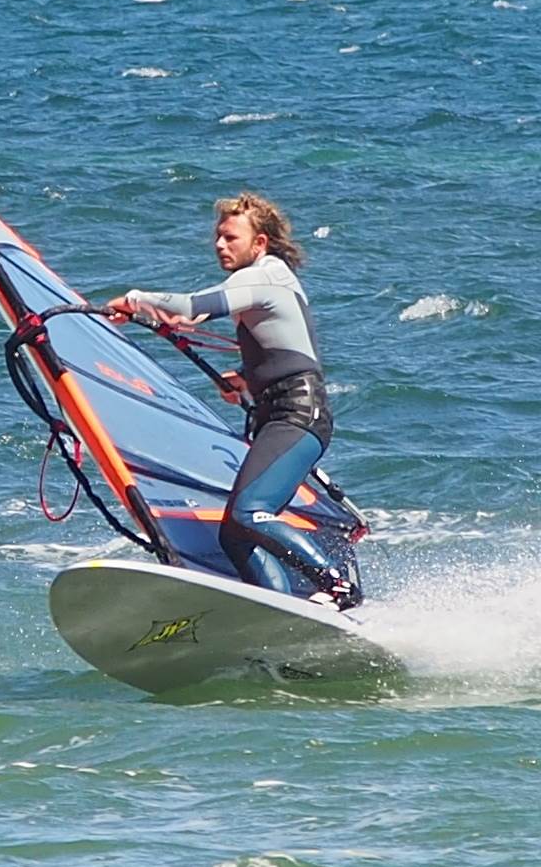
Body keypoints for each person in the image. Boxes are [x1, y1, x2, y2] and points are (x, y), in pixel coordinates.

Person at [107, 192, 358, 608]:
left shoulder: (262, 276)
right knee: (236, 532)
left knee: (251, 513)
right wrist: (245, 379)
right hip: (282, 413)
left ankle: (337, 586)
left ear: (259, 243)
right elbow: (288, 348)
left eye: (230, 237)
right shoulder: (268, 280)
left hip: (297, 415)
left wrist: (135, 300)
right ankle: (279, 608)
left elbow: (190, 308)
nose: (220, 245)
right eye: (217, 237)